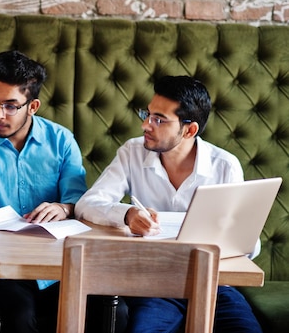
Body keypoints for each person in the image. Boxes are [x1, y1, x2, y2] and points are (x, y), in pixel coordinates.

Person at [75, 75, 263, 333]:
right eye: (147, 114)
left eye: (158, 120)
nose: (145, 125)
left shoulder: (225, 166)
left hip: (214, 285)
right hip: (155, 285)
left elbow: (248, 249)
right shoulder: (132, 152)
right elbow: (88, 204)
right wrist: (128, 214)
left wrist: (243, 234)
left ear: (189, 130)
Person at [0, 50, 89, 333]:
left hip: (54, 270)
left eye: (10, 106)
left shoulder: (61, 140)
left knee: (111, 311)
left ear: (33, 106)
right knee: (19, 313)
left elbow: (79, 199)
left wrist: (64, 207)